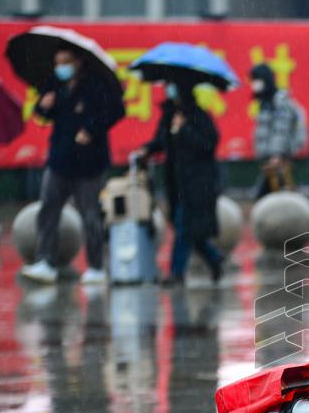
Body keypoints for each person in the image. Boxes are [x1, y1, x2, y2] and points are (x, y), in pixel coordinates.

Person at [21, 47, 125, 285]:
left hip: (90, 163)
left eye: (65, 62)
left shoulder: (97, 85)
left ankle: (96, 266)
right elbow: (42, 113)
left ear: (78, 61)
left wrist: (91, 130)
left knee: (90, 215)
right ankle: (45, 261)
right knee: (48, 209)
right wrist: (44, 105)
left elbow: (116, 111)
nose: (61, 67)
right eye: (57, 62)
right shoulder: (54, 84)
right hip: (59, 159)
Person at [134, 82, 224, 285]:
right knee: (187, 227)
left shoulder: (198, 115)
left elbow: (208, 144)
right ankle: (214, 257)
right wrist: (146, 149)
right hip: (176, 181)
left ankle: (176, 273)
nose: (169, 89)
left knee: (184, 225)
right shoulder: (169, 115)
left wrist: (184, 130)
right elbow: (161, 141)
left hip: (197, 181)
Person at [250, 63, 306, 199]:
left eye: (256, 80)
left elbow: (281, 130)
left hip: (278, 159)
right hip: (269, 159)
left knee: (271, 196)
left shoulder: (279, 102)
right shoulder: (266, 102)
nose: (254, 84)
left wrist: (277, 154)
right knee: (277, 196)